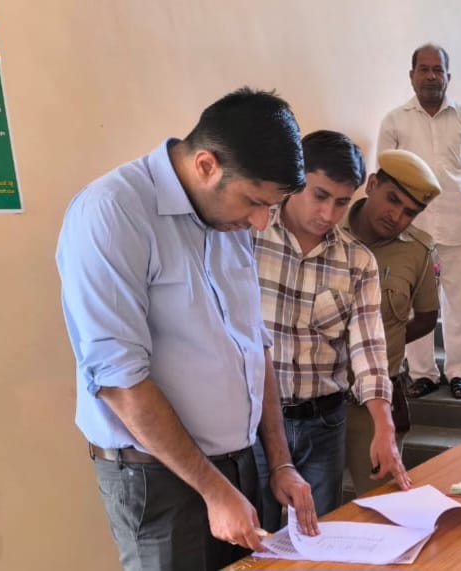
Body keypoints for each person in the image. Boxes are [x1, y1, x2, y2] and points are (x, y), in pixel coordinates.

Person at [55, 88, 319, 571]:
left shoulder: (229, 223)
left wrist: (279, 461)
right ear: (206, 165)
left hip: (240, 466)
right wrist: (214, 490)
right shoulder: (113, 212)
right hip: (158, 479)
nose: (261, 223)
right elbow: (118, 380)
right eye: (254, 202)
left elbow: (253, 346)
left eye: (272, 207)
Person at [253, 130, 412, 531]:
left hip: (322, 424)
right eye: (319, 195)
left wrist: (384, 426)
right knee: (255, 541)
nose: (328, 213)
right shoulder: (248, 237)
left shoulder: (358, 262)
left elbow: (369, 349)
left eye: (342, 202)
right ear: (296, 180)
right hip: (251, 423)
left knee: (318, 538)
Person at [378, 43, 461, 400]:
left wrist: (458, 196)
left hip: (457, 230)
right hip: (411, 235)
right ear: (412, 75)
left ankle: (460, 373)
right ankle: (422, 374)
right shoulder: (394, 121)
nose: (431, 76)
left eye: (437, 70)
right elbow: (385, 178)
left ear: (448, 76)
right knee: (413, 307)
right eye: (424, 69)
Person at [341, 149, 443, 496]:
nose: (396, 216)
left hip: (377, 404)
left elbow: (427, 317)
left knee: (383, 502)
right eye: (392, 199)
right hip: (318, 397)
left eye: (410, 212)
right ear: (372, 184)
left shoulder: (418, 251)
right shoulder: (326, 230)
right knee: (315, 505)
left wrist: (382, 344)